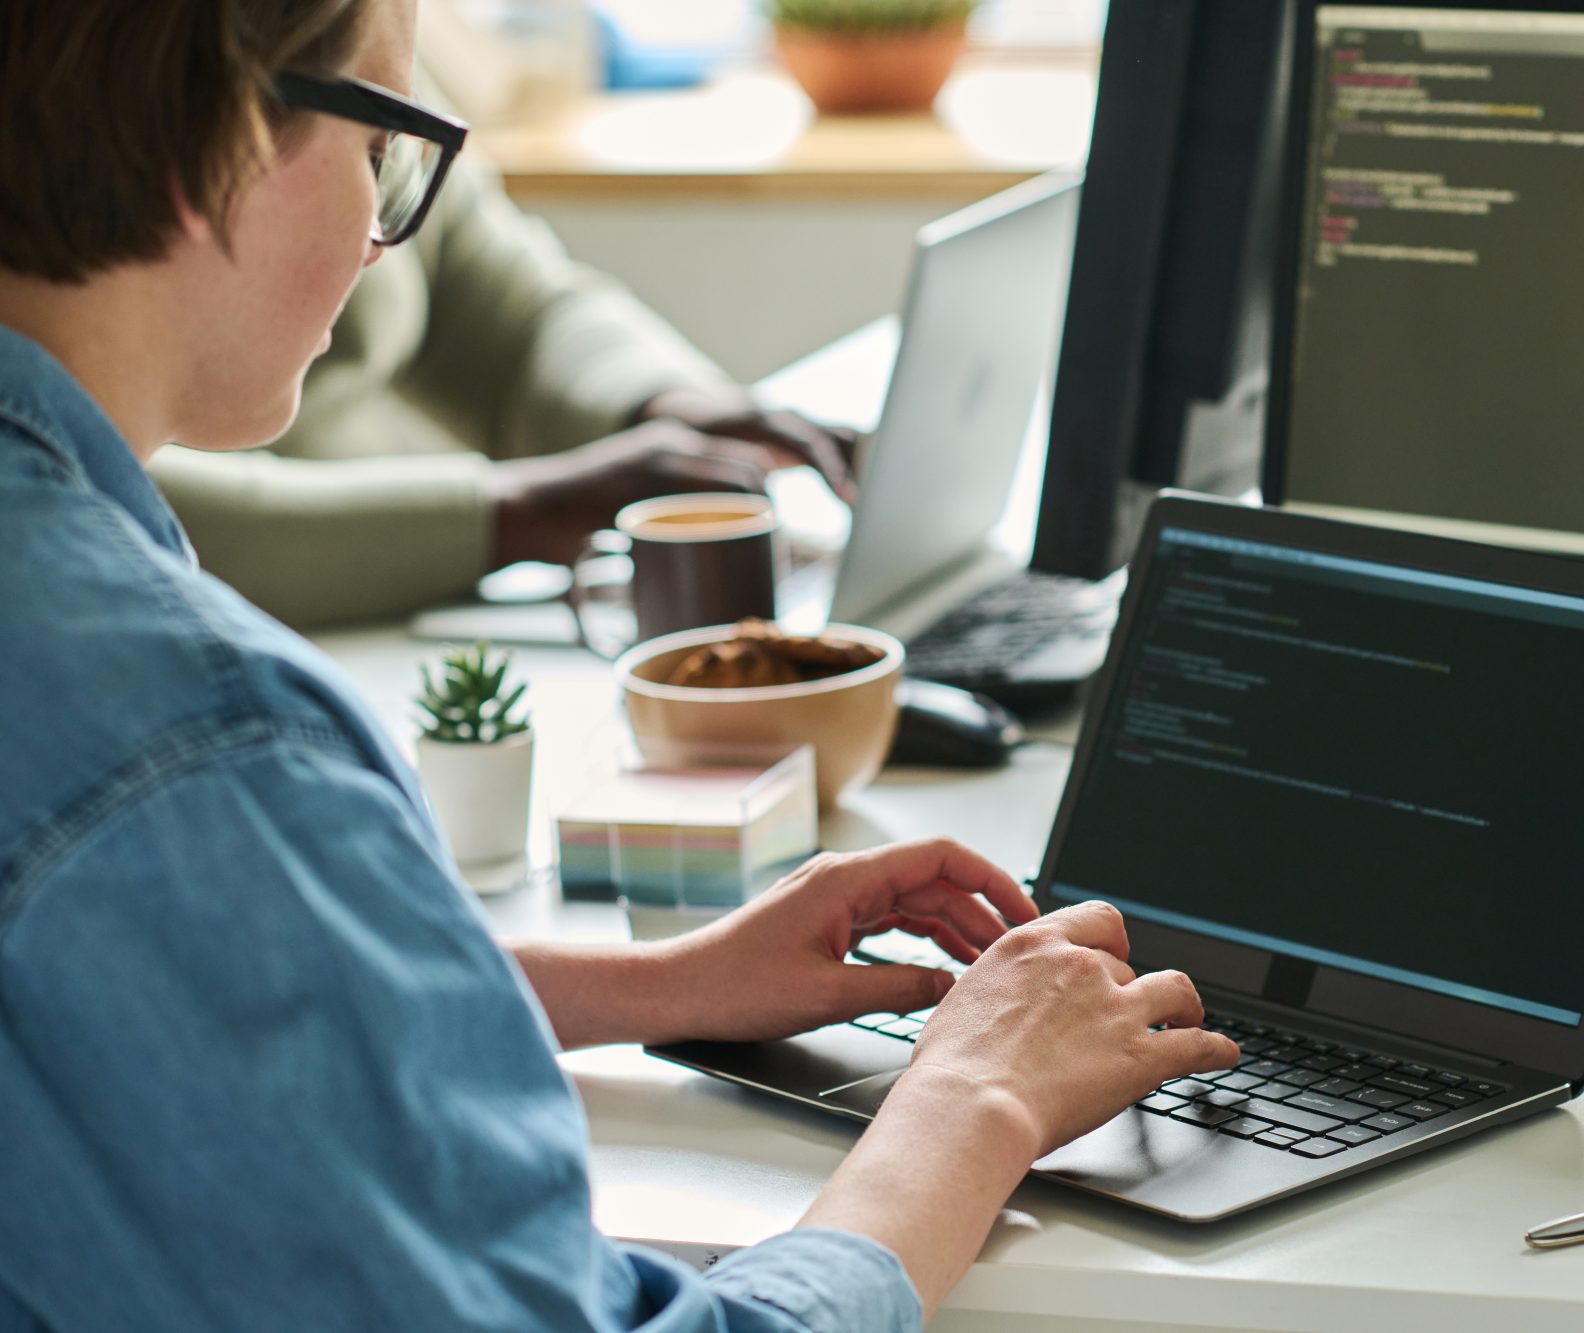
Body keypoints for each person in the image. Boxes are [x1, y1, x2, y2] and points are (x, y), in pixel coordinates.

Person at [0, 2, 1237, 1330]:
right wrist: (972, 1102)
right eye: (383, 147)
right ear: (215, 140)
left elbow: (145, 995)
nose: (380, 233)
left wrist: (662, 987)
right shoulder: (196, 754)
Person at [146, 109, 860, 629]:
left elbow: (494, 285)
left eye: (382, 154)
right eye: (369, 153)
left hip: (421, 622)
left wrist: (657, 405)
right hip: (278, 626)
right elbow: (114, 486)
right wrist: (517, 511)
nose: (372, 250)